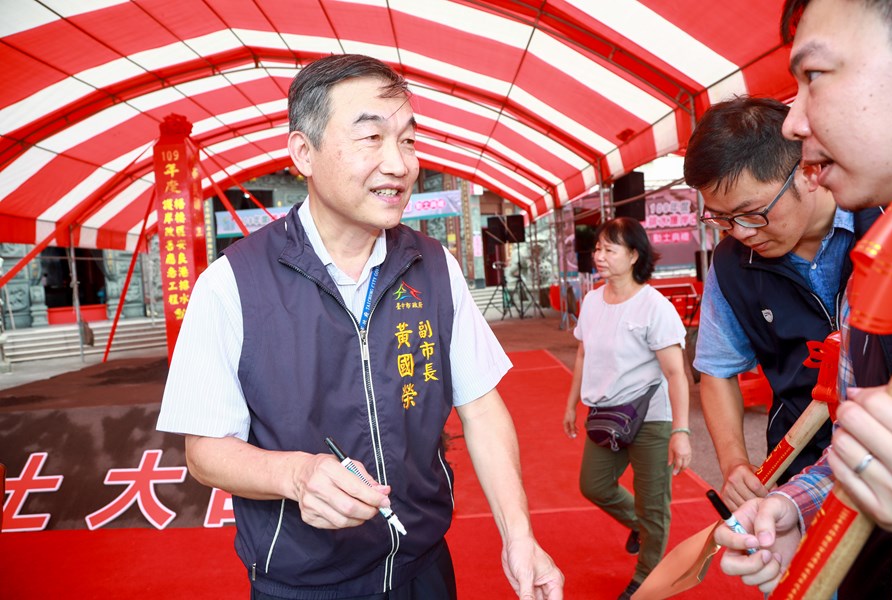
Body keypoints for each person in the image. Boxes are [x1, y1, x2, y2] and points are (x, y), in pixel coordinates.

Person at [157, 54, 564, 600]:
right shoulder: (231, 284)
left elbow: (482, 407)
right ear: (304, 152)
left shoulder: (434, 266)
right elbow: (205, 451)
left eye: (409, 140)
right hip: (301, 585)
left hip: (424, 571)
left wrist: (519, 535)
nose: (398, 164)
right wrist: (296, 476)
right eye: (371, 139)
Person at [713, 0, 892, 596]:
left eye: (813, 75)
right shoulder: (878, 269)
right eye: (724, 222)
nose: (793, 122)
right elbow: (857, 454)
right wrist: (797, 505)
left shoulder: (871, 238)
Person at [682, 96, 870, 510]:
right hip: (800, 464)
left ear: (807, 172)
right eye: (721, 219)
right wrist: (733, 462)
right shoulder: (731, 266)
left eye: (751, 213)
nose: (741, 233)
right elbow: (716, 370)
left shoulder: (878, 224)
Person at [562, 217, 691, 600]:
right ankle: (643, 526)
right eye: (597, 248)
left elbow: (676, 373)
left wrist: (681, 432)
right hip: (605, 415)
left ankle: (647, 576)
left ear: (634, 255)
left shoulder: (655, 307)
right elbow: (584, 354)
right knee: (594, 485)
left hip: (651, 417)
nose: (598, 256)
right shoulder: (591, 301)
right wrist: (572, 404)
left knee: (654, 501)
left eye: (608, 249)